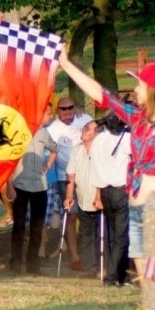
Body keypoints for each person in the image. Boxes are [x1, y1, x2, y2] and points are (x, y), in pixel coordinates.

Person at [56, 53, 155, 281]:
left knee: (153, 255)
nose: (136, 90)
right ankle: (152, 300)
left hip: (154, 201)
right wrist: (65, 64)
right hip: (135, 197)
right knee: (139, 253)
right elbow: (102, 95)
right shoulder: (138, 117)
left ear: (153, 90)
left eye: (140, 84)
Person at [46, 95, 93, 270]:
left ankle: (90, 253)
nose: (67, 112)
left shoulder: (85, 119)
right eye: (63, 109)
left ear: (75, 107)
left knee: (88, 215)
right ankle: (74, 256)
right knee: (71, 215)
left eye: (70, 107)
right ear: (57, 110)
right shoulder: (52, 128)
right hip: (63, 177)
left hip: (88, 176)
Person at [6, 119, 55, 273]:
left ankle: (33, 264)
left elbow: (55, 149)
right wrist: (9, 185)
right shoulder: (16, 131)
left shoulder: (43, 133)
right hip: (20, 184)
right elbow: (8, 159)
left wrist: (48, 165)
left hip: (40, 185)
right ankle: (15, 263)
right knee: (19, 226)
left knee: (37, 227)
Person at [93, 115, 132, 285]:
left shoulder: (98, 139)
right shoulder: (125, 139)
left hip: (104, 191)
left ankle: (120, 275)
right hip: (119, 190)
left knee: (112, 234)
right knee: (120, 237)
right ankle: (111, 277)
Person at [65, 119, 103, 275]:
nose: (83, 130)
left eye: (87, 129)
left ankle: (104, 266)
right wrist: (68, 196)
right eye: (84, 128)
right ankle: (90, 268)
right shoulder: (76, 150)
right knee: (86, 234)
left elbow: (103, 176)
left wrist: (99, 197)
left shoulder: (102, 151)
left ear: (96, 134)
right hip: (82, 199)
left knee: (101, 234)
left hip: (99, 199)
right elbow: (71, 176)